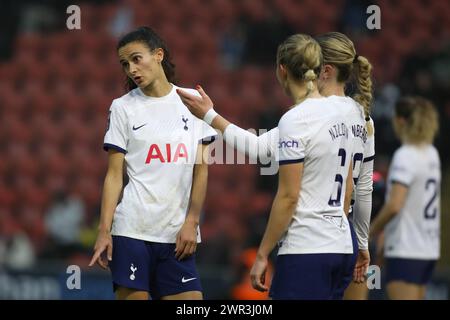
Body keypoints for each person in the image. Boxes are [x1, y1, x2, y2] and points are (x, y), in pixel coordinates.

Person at [177, 32, 375, 298]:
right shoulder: (357, 115)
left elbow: (288, 195)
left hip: (309, 243)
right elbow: (359, 189)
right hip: (342, 240)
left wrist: (262, 254)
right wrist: (361, 241)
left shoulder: (300, 119)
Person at [88, 27, 217, 300]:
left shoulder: (193, 103)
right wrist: (104, 231)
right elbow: (114, 176)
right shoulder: (123, 107)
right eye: (125, 64)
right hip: (132, 230)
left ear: (158, 55)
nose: (131, 69)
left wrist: (192, 222)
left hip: (176, 235)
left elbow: (201, 169)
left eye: (137, 59)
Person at [370, 96, 440, 300]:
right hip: (427, 249)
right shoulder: (431, 153)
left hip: (406, 249)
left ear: (401, 121)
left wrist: (370, 233)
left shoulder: (405, 155)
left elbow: (395, 205)